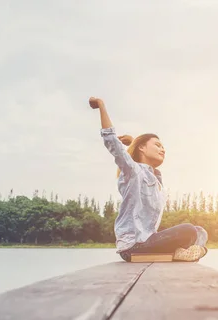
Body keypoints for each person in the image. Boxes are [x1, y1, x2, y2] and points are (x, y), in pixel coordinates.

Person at [89, 96, 208, 262]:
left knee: (200, 231)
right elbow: (112, 143)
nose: (163, 149)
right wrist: (101, 106)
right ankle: (181, 253)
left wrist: (133, 143)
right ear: (142, 148)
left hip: (149, 241)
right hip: (133, 246)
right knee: (188, 230)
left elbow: (139, 152)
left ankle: (181, 253)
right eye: (158, 145)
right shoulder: (134, 172)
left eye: (163, 147)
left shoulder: (156, 179)